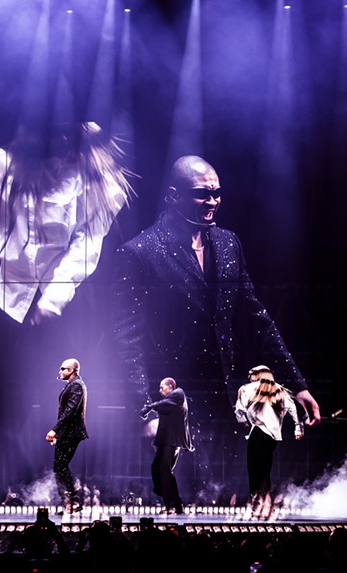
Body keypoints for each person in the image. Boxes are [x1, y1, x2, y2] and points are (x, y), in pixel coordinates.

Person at [110, 154, 321, 503]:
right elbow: (125, 339)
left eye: (216, 193)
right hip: (175, 407)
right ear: (173, 195)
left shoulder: (227, 244)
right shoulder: (139, 253)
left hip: (226, 401)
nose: (212, 201)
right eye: (201, 194)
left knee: (228, 503)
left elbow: (257, 319)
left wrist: (297, 385)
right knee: (181, 512)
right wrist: (144, 411)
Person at [0, 120, 135, 326]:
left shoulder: (92, 179)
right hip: (11, 299)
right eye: (55, 133)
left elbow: (86, 246)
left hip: (65, 302)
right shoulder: (7, 169)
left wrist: (53, 300)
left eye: (67, 133)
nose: (63, 140)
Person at [234, 364, 305, 519]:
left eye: (251, 374)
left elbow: (239, 408)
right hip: (272, 436)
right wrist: (297, 429)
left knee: (254, 470)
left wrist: (242, 420)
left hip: (258, 433)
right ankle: (266, 505)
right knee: (264, 470)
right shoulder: (279, 389)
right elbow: (293, 408)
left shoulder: (247, 388)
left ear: (258, 374)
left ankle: (258, 504)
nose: (250, 377)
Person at [140, 377, 194, 515]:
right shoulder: (172, 398)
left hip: (172, 441)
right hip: (166, 441)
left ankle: (174, 504)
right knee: (157, 468)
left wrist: (148, 408)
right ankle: (168, 497)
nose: (160, 390)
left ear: (170, 386)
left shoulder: (178, 394)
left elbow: (163, 404)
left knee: (164, 471)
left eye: (162, 387)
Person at [46, 358, 89, 514]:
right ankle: (69, 503)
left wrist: (55, 430)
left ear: (72, 371)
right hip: (67, 432)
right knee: (59, 466)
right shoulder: (73, 385)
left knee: (60, 466)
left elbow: (70, 411)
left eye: (63, 368)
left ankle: (73, 501)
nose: (60, 371)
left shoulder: (77, 385)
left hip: (71, 433)